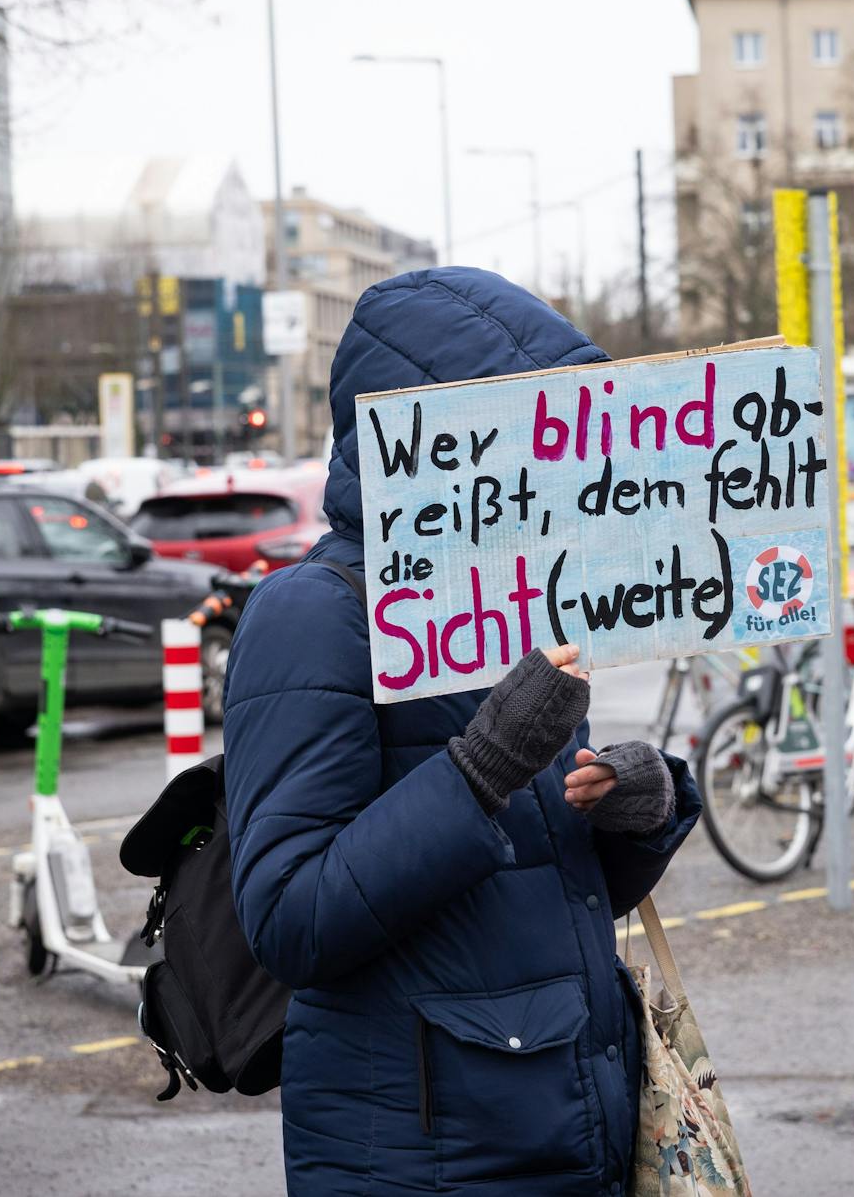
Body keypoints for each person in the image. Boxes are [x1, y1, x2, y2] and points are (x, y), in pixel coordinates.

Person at [222, 267, 701, 1197]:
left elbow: (542, 885)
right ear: (429, 432)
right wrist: (480, 769)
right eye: (526, 425)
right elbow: (290, 918)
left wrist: (637, 808)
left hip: (564, 1128)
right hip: (424, 1158)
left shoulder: (508, 591)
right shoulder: (313, 613)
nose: (553, 456)